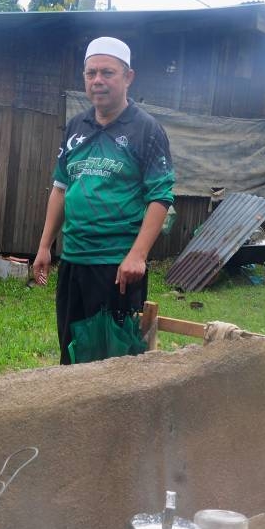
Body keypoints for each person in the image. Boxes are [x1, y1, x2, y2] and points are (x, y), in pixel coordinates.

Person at [33, 36, 175, 364]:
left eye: (107, 73)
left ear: (128, 77)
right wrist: (44, 246)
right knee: (71, 349)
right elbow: (60, 188)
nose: (97, 80)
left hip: (116, 267)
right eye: (91, 73)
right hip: (74, 261)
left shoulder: (146, 130)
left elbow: (161, 196)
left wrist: (137, 256)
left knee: (115, 358)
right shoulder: (75, 127)